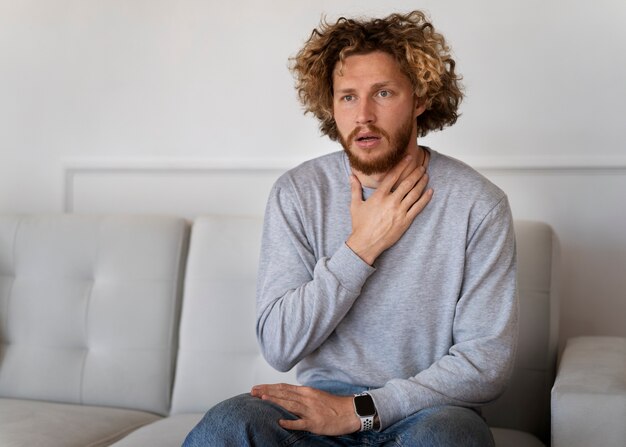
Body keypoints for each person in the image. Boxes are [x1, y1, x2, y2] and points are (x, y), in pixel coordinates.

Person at [184, 10, 517, 447]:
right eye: (347, 97)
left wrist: (360, 411)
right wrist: (361, 247)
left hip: (426, 413)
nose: (363, 114)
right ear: (331, 105)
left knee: (449, 439)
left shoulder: (478, 204)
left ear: (418, 99)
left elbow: (485, 363)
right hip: (316, 409)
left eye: (383, 93)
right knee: (227, 425)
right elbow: (280, 347)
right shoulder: (298, 193)